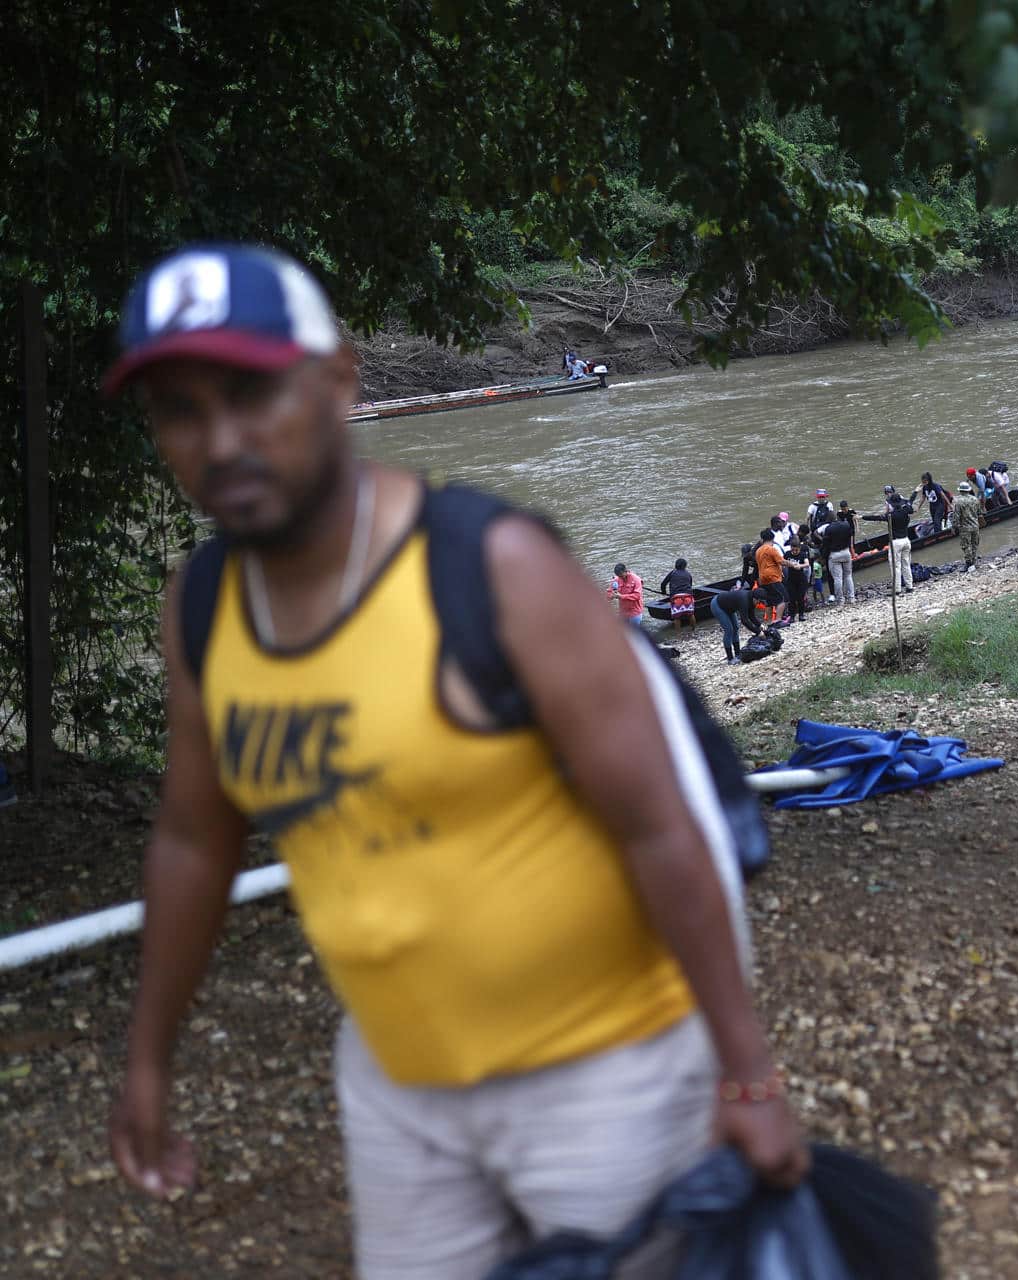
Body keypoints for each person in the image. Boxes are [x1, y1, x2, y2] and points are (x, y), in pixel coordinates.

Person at [102, 244, 805, 1276]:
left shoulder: (492, 569)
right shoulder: (202, 608)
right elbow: (194, 838)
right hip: (398, 1081)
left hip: (608, 1070)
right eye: (179, 410)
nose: (221, 441)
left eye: (253, 395)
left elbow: (664, 822)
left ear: (337, 377)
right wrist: (149, 1057)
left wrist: (745, 1075)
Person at [861, 485, 916, 594]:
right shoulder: (906, 511)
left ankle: (897, 590)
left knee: (896, 567)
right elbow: (909, 503)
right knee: (906, 564)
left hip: (896, 542)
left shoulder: (891, 515)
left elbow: (876, 517)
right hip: (906, 540)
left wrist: (862, 517)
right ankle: (909, 586)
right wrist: (915, 493)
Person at [711, 585, 763, 664]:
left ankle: (738, 654)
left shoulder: (752, 599)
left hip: (729, 607)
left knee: (736, 628)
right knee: (729, 630)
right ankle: (730, 658)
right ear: (755, 598)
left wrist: (760, 625)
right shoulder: (744, 600)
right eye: (758, 601)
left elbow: (751, 617)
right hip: (717, 605)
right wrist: (758, 632)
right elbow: (745, 621)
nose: (758, 603)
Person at [755, 528, 793, 621]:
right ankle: (778, 620)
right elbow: (781, 562)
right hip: (773, 577)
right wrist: (793, 564)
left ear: (762, 539)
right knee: (784, 598)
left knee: (769, 601)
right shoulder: (771, 549)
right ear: (772, 538)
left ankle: (769, 622)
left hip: (762, 579)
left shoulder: (758, 551)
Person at [818, 509, 856, 603]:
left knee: (837, 578)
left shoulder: (828, 528)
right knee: (848, 576)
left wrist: (823, 557)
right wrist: (852, 551)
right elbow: (850, 538)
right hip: (846, 552)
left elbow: (825, 544)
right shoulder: (846, 525)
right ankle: (851, 597)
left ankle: (840, 599)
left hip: (834, 555)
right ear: (837, 517)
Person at [951, 479, 984, 570]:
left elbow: (956, 516)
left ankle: (968, 563)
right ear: (968, 490)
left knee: (966, 546)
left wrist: (954, 527)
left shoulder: (958, 502)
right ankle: (973, 561)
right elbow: (979, 513)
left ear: (960, 490)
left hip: (965, 527)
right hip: (975, 526)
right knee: (974, 544)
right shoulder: (975, 499)